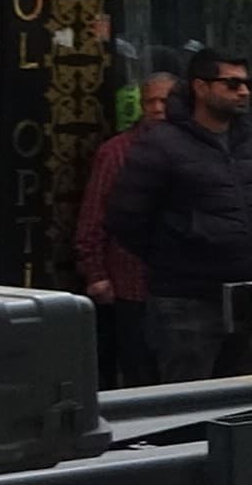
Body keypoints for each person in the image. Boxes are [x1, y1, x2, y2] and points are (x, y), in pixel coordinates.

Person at [104, 49, 252, 383]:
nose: (243, 91)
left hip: (245, 292)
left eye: (247, 83)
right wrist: (176, 249)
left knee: (240, 400)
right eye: (231, 83)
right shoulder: (162, 144)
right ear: (201, 87)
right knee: (186, 401)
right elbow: (126, 216)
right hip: (185, 298)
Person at [72, 71, 180, 387]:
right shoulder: (116, 151)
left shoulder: (193, 147)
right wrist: (95, 272)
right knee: (137, 369)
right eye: (151, 101)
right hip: (130, 283)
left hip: (180, 284)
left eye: (165, 101)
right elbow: (94, 214)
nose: (159, 108)